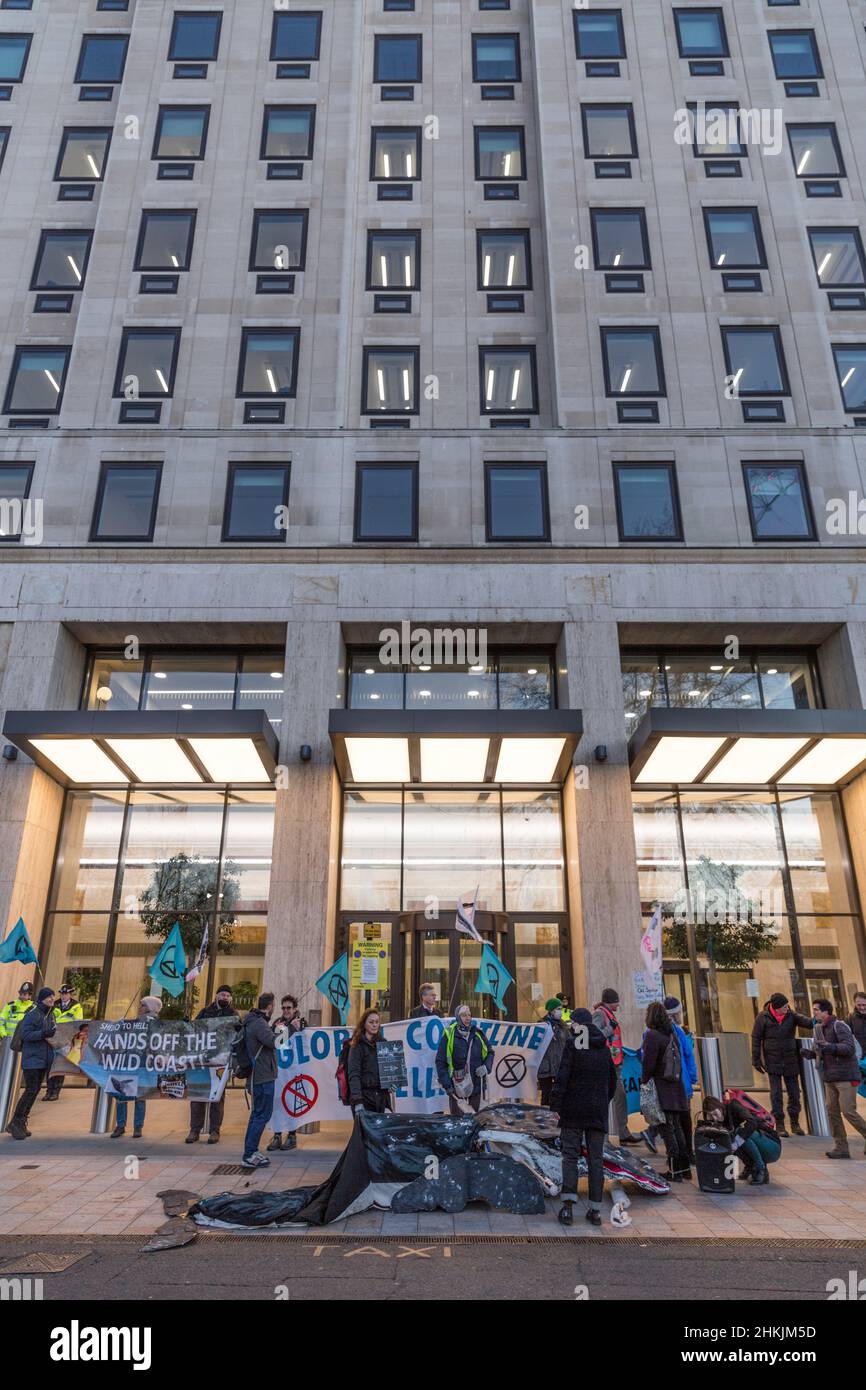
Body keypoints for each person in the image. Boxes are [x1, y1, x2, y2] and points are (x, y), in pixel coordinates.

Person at [550, 1007, 617, 1227]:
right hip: (596, 1111)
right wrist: (601, 1101)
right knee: (595, 1159)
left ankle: (568, 1207)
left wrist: (556, 1105)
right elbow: (612, 1082)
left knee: (570, 1156)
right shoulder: (603, 1047)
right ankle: (595, 1210)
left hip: (573, 1110)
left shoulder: (573, 1044)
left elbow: (563, 1076)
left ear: (578, 1025)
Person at [643, 996, 698, 1161]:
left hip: (665, 1085)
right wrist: (692, 1078)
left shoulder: (653, 1034)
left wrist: (644, 1081)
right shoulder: (675, 1032)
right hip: (680, 1082)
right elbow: (688, 1055)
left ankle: (677, 1164)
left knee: (670, 1126)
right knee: (680, 1124)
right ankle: (686, 1159)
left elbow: (648, 1062)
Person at [751, 992, 813, 1137]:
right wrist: (756, 1059)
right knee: (776, 1094)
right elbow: (756, 1038)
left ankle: (795, 1123)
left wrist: (820, 1019)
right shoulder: (763, 1017)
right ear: (776, 1007)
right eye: (784, 1006)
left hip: (790, 1059)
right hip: (773, 1060)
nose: (787, 1008)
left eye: (787, 1005)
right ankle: (779, 1124)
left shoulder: (791, 1015)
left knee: (794, 1093)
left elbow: (808, 1022)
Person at [812, 997, 866, 1160]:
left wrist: (830, 1047)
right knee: (832, 1111)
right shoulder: (819, 1028)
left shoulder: (839, 1025)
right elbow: (822, 1052)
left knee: (848, 1111)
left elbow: (849, 1048)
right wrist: (810, 1054)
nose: (813, 1012)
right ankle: (841, 1147)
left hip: (846, 1076)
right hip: (830, 1077)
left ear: (825, 1011)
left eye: (816, 1009)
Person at [185, 984, 238, 1146]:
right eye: (222, 995)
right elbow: (193, 1030)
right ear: (216, 996)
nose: (224, 998)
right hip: (202, 1060)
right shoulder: (205, 1012)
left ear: (230, 998)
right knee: (197, 1095)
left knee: (217, 1097)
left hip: (220, 1062)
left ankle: (215, 1130)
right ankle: (195, 1130)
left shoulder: (233, 1015)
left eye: (227, 996)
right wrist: (186, 1024)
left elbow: (237, 1036)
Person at [697, 1094, 781, 1186]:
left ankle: (761, 1169)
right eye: (711, 1116)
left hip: (772, 1146)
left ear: (720, 1107)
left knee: (739, 1133)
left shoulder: (733, 1106)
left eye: (715, 1114)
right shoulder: (720, 1122)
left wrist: (736, 1143)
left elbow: (751, 1123)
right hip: (762, 1146)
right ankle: (750, 1166)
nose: (715, 1118)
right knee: (730, 1139)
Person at [592, 988, 641, 1145]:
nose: (619, 1004)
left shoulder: (609, 1014)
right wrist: (609, 1028)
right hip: (606, 1064)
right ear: (610, 1001)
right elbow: (595, 1034)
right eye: (616, 1001)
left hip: (615, 1062)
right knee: (606, 1099)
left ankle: (623, 1132)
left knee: (621, 1097)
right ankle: (604, 1137)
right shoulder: (600, 1014)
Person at [7, 988, 56, 1140]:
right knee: (30, 1090)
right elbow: (26, 1034)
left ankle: (20, 1122)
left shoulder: (50, 1014)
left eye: (53, 996)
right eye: (49, 997)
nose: (52, 999)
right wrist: (43, 1033)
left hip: (43, 1059)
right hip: (32, 1059)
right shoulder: (33, 1014)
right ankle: (16, 1122)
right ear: (42, 999)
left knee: (34, 1091)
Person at [110, 996, 162, 1139]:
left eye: (143, 1005)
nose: (140, 1007)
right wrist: (121, 1026)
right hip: (129, 1062)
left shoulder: (154, 1023)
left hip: (143, 1063)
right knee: (122, 1093)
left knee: (140, 1096)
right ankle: (121, 1125)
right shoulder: (136, 1022)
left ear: (151, 1008)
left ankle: (137, 1127)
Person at [435, 1003, 495, 1116]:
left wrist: (486, 1067)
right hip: (457, 1088)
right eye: (463, 1015)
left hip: (477, 1086)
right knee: (458, 1123)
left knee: (477, 1120)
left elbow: (490, 1052)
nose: (467, 1018)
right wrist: (448, 1086)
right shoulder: (449, 1035)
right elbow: (440, 1062)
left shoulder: (478, 1033)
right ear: (457, 1017)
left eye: (469, 1015)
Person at [241, 991, 278, 1169]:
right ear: (269, 1006)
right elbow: (275, 1042)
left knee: (256, 1115)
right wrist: (289, 1029)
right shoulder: (258, 1023)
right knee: (262, 1115)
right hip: (262, 1077)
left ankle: (250, 1151)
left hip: (258, 1076)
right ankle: (249, 1154)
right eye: (273, 1006)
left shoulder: (254, 1021)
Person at [267, 994, 306, 1152]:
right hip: (279, 1071)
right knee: (277, 1103)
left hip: (294, 1071)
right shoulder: (277, 1022)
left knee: (291, 1103)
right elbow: (274, 1041)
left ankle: (291, 1135)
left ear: (295, 1008)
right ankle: (277, 1135)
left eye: (289, 1008)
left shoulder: (302, 1022)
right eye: (283, 1008)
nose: (285, 1010)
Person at [43, 982, 84, 1102]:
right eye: (62, 993)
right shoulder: (54, 1004)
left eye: (66, 994)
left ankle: (55, 1091)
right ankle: (48, 1090)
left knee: (60, 1066)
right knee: (50, 1065)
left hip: (65, 1039)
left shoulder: (76, 1006)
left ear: (70, 994)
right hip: (53, 1038)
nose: (63, 996)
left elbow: (78, 1023)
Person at [347, 1008, 392, 1115]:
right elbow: (354, 1074)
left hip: (380, 1098)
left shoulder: (384, 1043)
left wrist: (391, 1083)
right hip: (363, 1097)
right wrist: (358, 1101)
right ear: (364, 1024)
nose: (374, 1025)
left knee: (377, 1132)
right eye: (371, 1022)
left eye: (377, 1022)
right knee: (363, 1132)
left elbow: (387, 1069)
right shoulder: (357, 1045)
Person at [538, 997, 571, 1109]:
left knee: (560, 1094)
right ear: (551, 1011)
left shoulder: (564, 1026)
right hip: (545, 1067)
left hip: (559, 1066)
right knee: (546, 1095)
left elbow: (568, 1042)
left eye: (560, 1008)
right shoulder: (541, 1025)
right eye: (558, 1009)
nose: (560, 1011)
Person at [847, 990, 866, 1060]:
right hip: (859, 1057)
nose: (862, 1008)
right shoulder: (850, 1018)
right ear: (854, 1003)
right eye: (859, 1005)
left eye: (864, 1005)